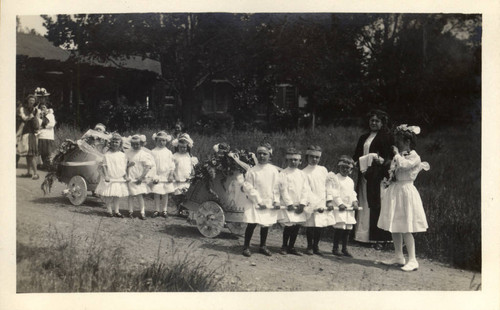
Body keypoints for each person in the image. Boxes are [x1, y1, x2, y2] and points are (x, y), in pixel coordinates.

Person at [378, 125, 430, 272]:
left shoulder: (414, 156)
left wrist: (396, 154)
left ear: (407, 141)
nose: (396, 143)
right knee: (395, 224)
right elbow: (394, 171)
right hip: (395, 190)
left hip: (406, 191)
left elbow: (405, 166)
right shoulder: (399, 155)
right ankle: (398, 256)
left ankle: (413, 259)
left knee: (406, 227)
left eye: (399, 140)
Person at [353, 109, 393, 248]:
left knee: (376, 205)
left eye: (377, 121)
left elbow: (391, 158)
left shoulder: (387, 137)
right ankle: (362, 236)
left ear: (383, 123)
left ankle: (379, 239)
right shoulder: (364, 137)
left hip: (378, 177)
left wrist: (382, 162)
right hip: (364, 176)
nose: (374, 123)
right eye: (372, 120)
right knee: (363, 203)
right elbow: (356, 156)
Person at [241, 142, 281, 257]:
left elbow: (276, 187)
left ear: (269, 156)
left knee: (265, 224)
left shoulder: (273, 170)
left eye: (264, 154)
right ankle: (246, 246)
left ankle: (262, 246)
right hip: (254, 202)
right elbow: (248, 187)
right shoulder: (252, 171)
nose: (262, 156)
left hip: (268, 200)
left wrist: (276, 200)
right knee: (252, 224)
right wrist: (258, 201)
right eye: (259, 154)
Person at [302, 145, 334, 255]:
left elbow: (328, 185)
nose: (314, 159)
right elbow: (306, 190)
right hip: (311, 202)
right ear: (307, 157)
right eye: (312, 157)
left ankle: (316, 246)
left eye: (317, 157)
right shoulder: (304, 172)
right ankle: (309, 246)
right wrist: (314, 204)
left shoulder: (323, 170)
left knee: (319, 225)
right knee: (310, 225)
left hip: (322, 200)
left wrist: (328, 200)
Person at [277, 148, 310, 256]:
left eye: (296, 160)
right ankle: (284, 246)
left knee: (296, 226)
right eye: (291, 159)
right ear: (287, 160)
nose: (293, 162)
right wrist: (289, 204)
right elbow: (283, 190)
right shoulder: (283, 173)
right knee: (289, 226)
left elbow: (306, 189)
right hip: (289, 205)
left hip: (299, 205)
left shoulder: (302, 174)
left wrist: (303, 203)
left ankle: (292, 246)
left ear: (300, 161)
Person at [95, 133, 129, 217]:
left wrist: (125, 176)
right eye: (113, 142)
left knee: (117, 195)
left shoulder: (123, 155)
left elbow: (124, 167)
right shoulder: (107, 155)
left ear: (120, 143)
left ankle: (117, 211)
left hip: (118, 177)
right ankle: (109, 210)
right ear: (110, 143)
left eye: (116, 142)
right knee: (109, 195)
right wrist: (106, 175)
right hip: (110, 177)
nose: (114, 144)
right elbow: (104, 166)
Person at [331, 156, 359, 258]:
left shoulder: (350, 181)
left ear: (351, 170)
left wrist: (355, 202)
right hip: (340, 208)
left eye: (348, 168)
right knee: (339, 228)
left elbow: (352, 193)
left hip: (349, 208)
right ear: (339, 167)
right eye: (343, 167)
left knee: (347, 228)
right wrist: (339, 204)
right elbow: (334, 193)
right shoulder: (335, 178)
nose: (345, 170)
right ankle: (335, 248)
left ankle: (344, 249)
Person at [126, 134, 154, 220]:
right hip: (130, 176)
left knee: (139, 195)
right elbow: (123, 165)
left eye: (137, 144)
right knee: (130, 195)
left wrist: (141, 177)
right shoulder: (128, 153)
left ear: (141, 144)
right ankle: (130, 211)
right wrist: (127, 166)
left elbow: (148, 167)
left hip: (139, 177)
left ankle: (142, 212)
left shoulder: (144, 154)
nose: (135, 146)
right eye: (133, 144)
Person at [150, 131, 175, 218]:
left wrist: (171, 175)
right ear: (156, 141)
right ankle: (156, 210)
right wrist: (154, 176)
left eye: (164, 141)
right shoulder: (153, 152)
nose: (161, 142)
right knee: (156, 193)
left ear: (166, 141)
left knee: (165, 193)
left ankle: (164, 210)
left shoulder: (168, 152)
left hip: (166, 175)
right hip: (157, 175)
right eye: (160, 140)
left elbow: (172, 165)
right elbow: (151, 165)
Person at [172, 133, 198, 215]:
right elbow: (172, 168)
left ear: (187, 147)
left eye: (184, 147)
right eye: (181, 147)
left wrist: (192, 174)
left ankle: (184, 210)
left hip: (187, 177)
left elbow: (191, 167)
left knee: (186, 194)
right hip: (178, 177)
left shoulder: (189, 156)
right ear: (177, 147)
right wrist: (175, 176)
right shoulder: (175, 156)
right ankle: (179, 209)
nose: (183, 149)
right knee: (178, 194)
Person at [17, 95, 40, 180]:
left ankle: (36, 174)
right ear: (27, 101)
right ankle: (28, 172)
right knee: (27, 155)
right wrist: (30, 115)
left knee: (31, 155)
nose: (32, 102)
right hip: (25, 133)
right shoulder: (23, 109)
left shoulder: (36, 110)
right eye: (30, 100)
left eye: (33, 100)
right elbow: (24, 118)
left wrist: (33, 115)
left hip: (31, 134)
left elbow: (37, 123)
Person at [36, 102, 56, 170]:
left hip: (48, 136)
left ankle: (48, 165)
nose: (42, 109)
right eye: (41, 108)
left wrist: (43, 126)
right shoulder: (39, 115)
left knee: (48, 152)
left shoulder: (50, 115)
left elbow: (52, 124)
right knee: (42, 152)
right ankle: (44, 165)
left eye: (44, 107)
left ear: (47, 108)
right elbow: (38, 124)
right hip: (41, 135)